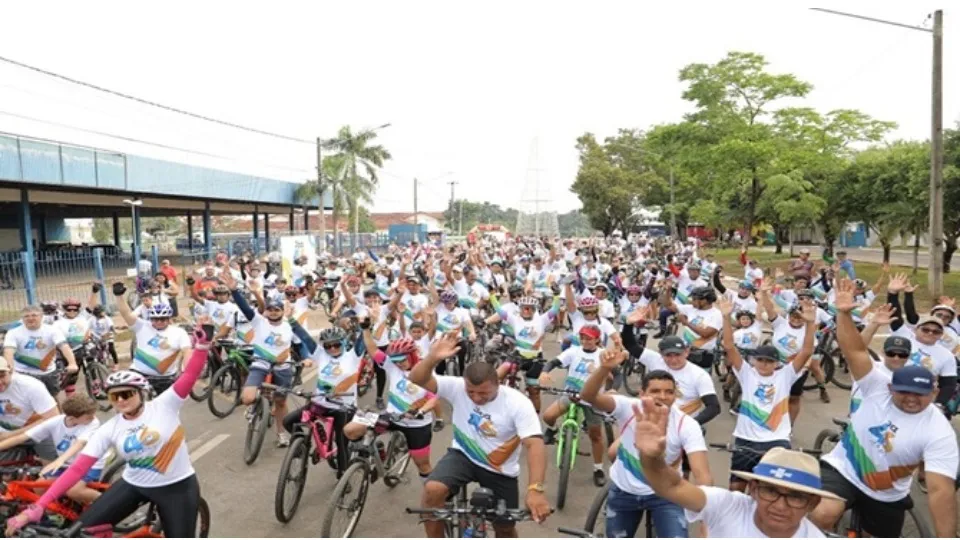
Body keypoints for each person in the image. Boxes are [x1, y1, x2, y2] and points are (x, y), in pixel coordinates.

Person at [6, 335, 214, 538]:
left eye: (127, 394)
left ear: (141, 393)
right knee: (79, 533)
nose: (121, 400)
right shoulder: (110, 428)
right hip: (133, 484)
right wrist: (38, 507)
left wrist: (202, 347)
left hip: (176, 487)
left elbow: (189, 375)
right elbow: (77, 469)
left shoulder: (164, 405)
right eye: (115, 396)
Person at [810, 279, 958, 538]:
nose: (911, 399)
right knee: (823, 513)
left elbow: (940, 490)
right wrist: (843, 314)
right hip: (845, 470)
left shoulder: (939, 430)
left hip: (887, 493)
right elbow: (854, 351)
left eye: (920, 394)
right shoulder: (878, 384)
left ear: (933, 393)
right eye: (904, 392)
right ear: (890, 388)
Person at [407, 333, 551, 538]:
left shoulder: (518, 403)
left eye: (483, 393)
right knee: (432, 490)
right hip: (463, 455)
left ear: (498, 384)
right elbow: (417, 378)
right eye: (471, 392)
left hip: (499, 469)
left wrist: (535, 489)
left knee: (505, 527)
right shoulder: (458, 387)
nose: (476, 398)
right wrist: (432, 358)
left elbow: (535, 444)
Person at [635, 394, 837, 538]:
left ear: (813, 503)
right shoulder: (728, 506)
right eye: (770, 491)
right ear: (753, 489)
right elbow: (672, 486)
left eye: (795, 497)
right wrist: (652, 458)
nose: (779, 506)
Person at [580, 353, 712, 538]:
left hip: (667, 494)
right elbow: (588, 396)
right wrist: (605, 368)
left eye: (669, 392)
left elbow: (702, 474)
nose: (663, 397)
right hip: (623, 491)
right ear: (642, 393)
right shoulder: (628, 407)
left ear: (675, 395)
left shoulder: (687, 424)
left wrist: (707, 520)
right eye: (655, 391)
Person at [716, 296, 816, 493]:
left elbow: (806, 351)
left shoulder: (786, 375)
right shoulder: (746, 373)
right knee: (736, 489)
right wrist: (726, 318)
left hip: (777, 440)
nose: (764, 364)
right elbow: (729, 346)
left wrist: (811, 323)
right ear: (753, 360)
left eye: (769, 361)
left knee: (772, 491)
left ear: (777, 363)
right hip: (745, 439)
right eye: (760, 360)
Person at [0, 395, 105, 504]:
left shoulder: (93, 423)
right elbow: (22, 437)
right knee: (39, 487)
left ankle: (108, 503)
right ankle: (56, 511)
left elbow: (80, 443)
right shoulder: (55, 422)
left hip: (90, 464)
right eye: (89, 417)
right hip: (68, 464)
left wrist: (59, 461)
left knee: (73, 491)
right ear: (72, 418)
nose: (93, 417)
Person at [538, 325, 608, 487]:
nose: (585, 341)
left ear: (597, 339)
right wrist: (545, 372)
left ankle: (598, 469)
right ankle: (553, 430)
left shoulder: (603, 355)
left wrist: (612, 389)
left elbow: (616, 375)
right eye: (583, 338)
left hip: (592, 399)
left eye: (589, 338)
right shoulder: (573, 351)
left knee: (596, 436)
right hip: (570, 394)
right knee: (548, 416)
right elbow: (554, 362)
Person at [3, 305, 79, 397]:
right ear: (22, 319)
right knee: (26, 400)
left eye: (34, 315)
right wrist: (10, 369)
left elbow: (64, 347)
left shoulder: (52, 330)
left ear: (42, 316)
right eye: (26, 316)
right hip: (23, 373)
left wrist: (72, 363)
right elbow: (8, 351)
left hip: (48, 373)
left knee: (52, 399)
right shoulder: (13, 332)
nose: (30, 318)